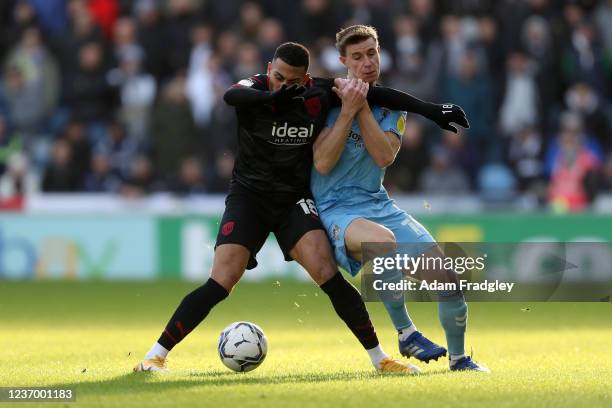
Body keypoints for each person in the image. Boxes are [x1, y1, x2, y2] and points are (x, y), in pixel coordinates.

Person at [134, 41, 469, 374]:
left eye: (291, 81)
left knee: (328, 275)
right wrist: (273, 97)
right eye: (277, 77)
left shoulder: (317, 93)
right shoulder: (254, 87)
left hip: (294, 198)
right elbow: (231, 96)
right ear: (269, 69)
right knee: (222, 280)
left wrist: (432, 110)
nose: (283, 84)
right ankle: (155, 355)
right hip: (249, 197)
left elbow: (377, 95)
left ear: (305, 79)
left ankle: (380, 359)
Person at [311, 25, 489, 372]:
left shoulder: (392, 106)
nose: (366, 63)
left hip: (379, 205)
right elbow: (321, 161)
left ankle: (459, 359)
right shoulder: (326, 103)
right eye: (358, 57)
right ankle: (406, 332)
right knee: (382, 242)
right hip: (335, 209)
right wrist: (348, 109)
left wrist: (361, 106)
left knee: (448, 280)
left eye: (372, 53)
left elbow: (384, 157)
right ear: (343, 61)